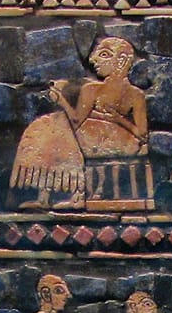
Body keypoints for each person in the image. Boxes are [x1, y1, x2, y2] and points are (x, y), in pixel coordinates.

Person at [11, 36, 149, 210]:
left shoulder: (94, 89)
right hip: (120, 142)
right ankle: (57, 195)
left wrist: (61, 101)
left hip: (106, 140)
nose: (93, 60)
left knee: (54, 128)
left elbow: (76, 121)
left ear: (121, 60)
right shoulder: (135, 93)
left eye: (104, 54)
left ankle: (60, 195)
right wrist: (113, 118)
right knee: (55, 126)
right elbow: (142, 134)